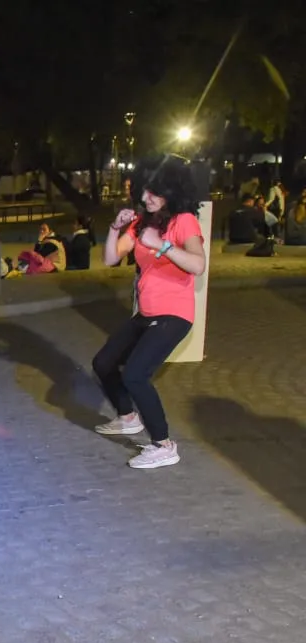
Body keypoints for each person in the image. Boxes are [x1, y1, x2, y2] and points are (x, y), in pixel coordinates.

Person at [93, 156, 206, 469]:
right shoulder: (143, 222)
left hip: (174, 314)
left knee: (135, 375)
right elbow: (110, 259)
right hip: (147, 313)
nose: (146, 198)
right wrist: (115, 229)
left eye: (154, 192)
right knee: (103, 362)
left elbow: (198, 264)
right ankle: (128, 418)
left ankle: (164, 444)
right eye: (144, 192)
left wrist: (163, 245)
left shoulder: (183, 221)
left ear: (171, 190)